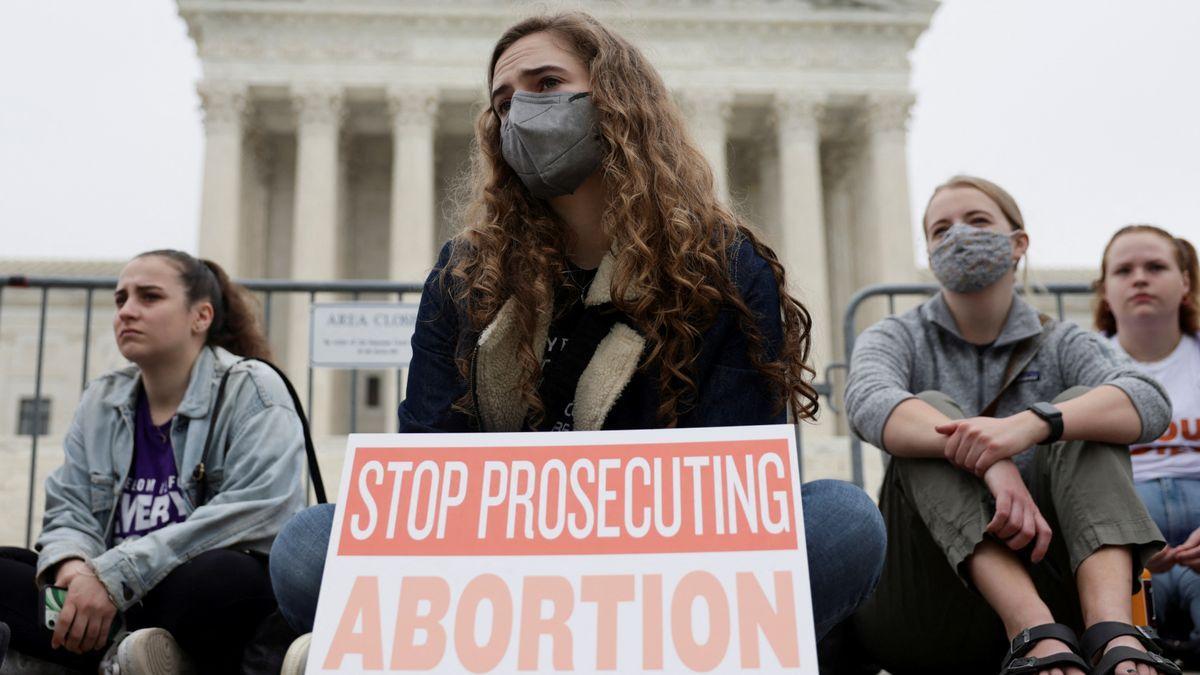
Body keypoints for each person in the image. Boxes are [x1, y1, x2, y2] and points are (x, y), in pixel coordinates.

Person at [269, 10, 886, 671]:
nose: (522, 112)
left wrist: (604, 531)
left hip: (662, 567)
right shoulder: (465, 275)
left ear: (613, 96)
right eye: (504, 102)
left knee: (844, 520)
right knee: (307, 543)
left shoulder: (722, 267)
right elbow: (429, 457)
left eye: (546, 83)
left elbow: (739, 476)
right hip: (496, 566)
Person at [844, 175, 1177, 675]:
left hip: (1059, 591)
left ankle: (1113, 634)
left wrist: (1034, 424)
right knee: (929, 415)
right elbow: (869, 401)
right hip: (927, 607)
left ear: (1018, 243)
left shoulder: (1063, 341)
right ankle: (1031, 632)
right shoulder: (895, 335)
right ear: (931, 255)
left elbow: (1148, 400)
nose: (958, 235)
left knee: (1085, 411)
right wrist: (991, 457)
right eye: (941, 230)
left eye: (977, 221)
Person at [0, 250, 308, 673]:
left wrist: (114, 575)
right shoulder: (102, 398)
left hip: (184, 594)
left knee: (218, 578)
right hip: (109, 598)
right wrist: (73, 566)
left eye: (148, 297)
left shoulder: (252, 388)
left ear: (200, 316)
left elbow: (258, 508)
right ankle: (130, 654)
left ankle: (131, 652)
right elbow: (69, 507)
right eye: (120, 299)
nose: (127, 311)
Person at [1096, 224, 1200, 663]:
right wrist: (1128, 540)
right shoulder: (1084, 366)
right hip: (1124, 527)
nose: (1139, 277)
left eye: (1155, 266)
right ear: (1104, 291)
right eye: (1124, 270)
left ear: (1185, 283)